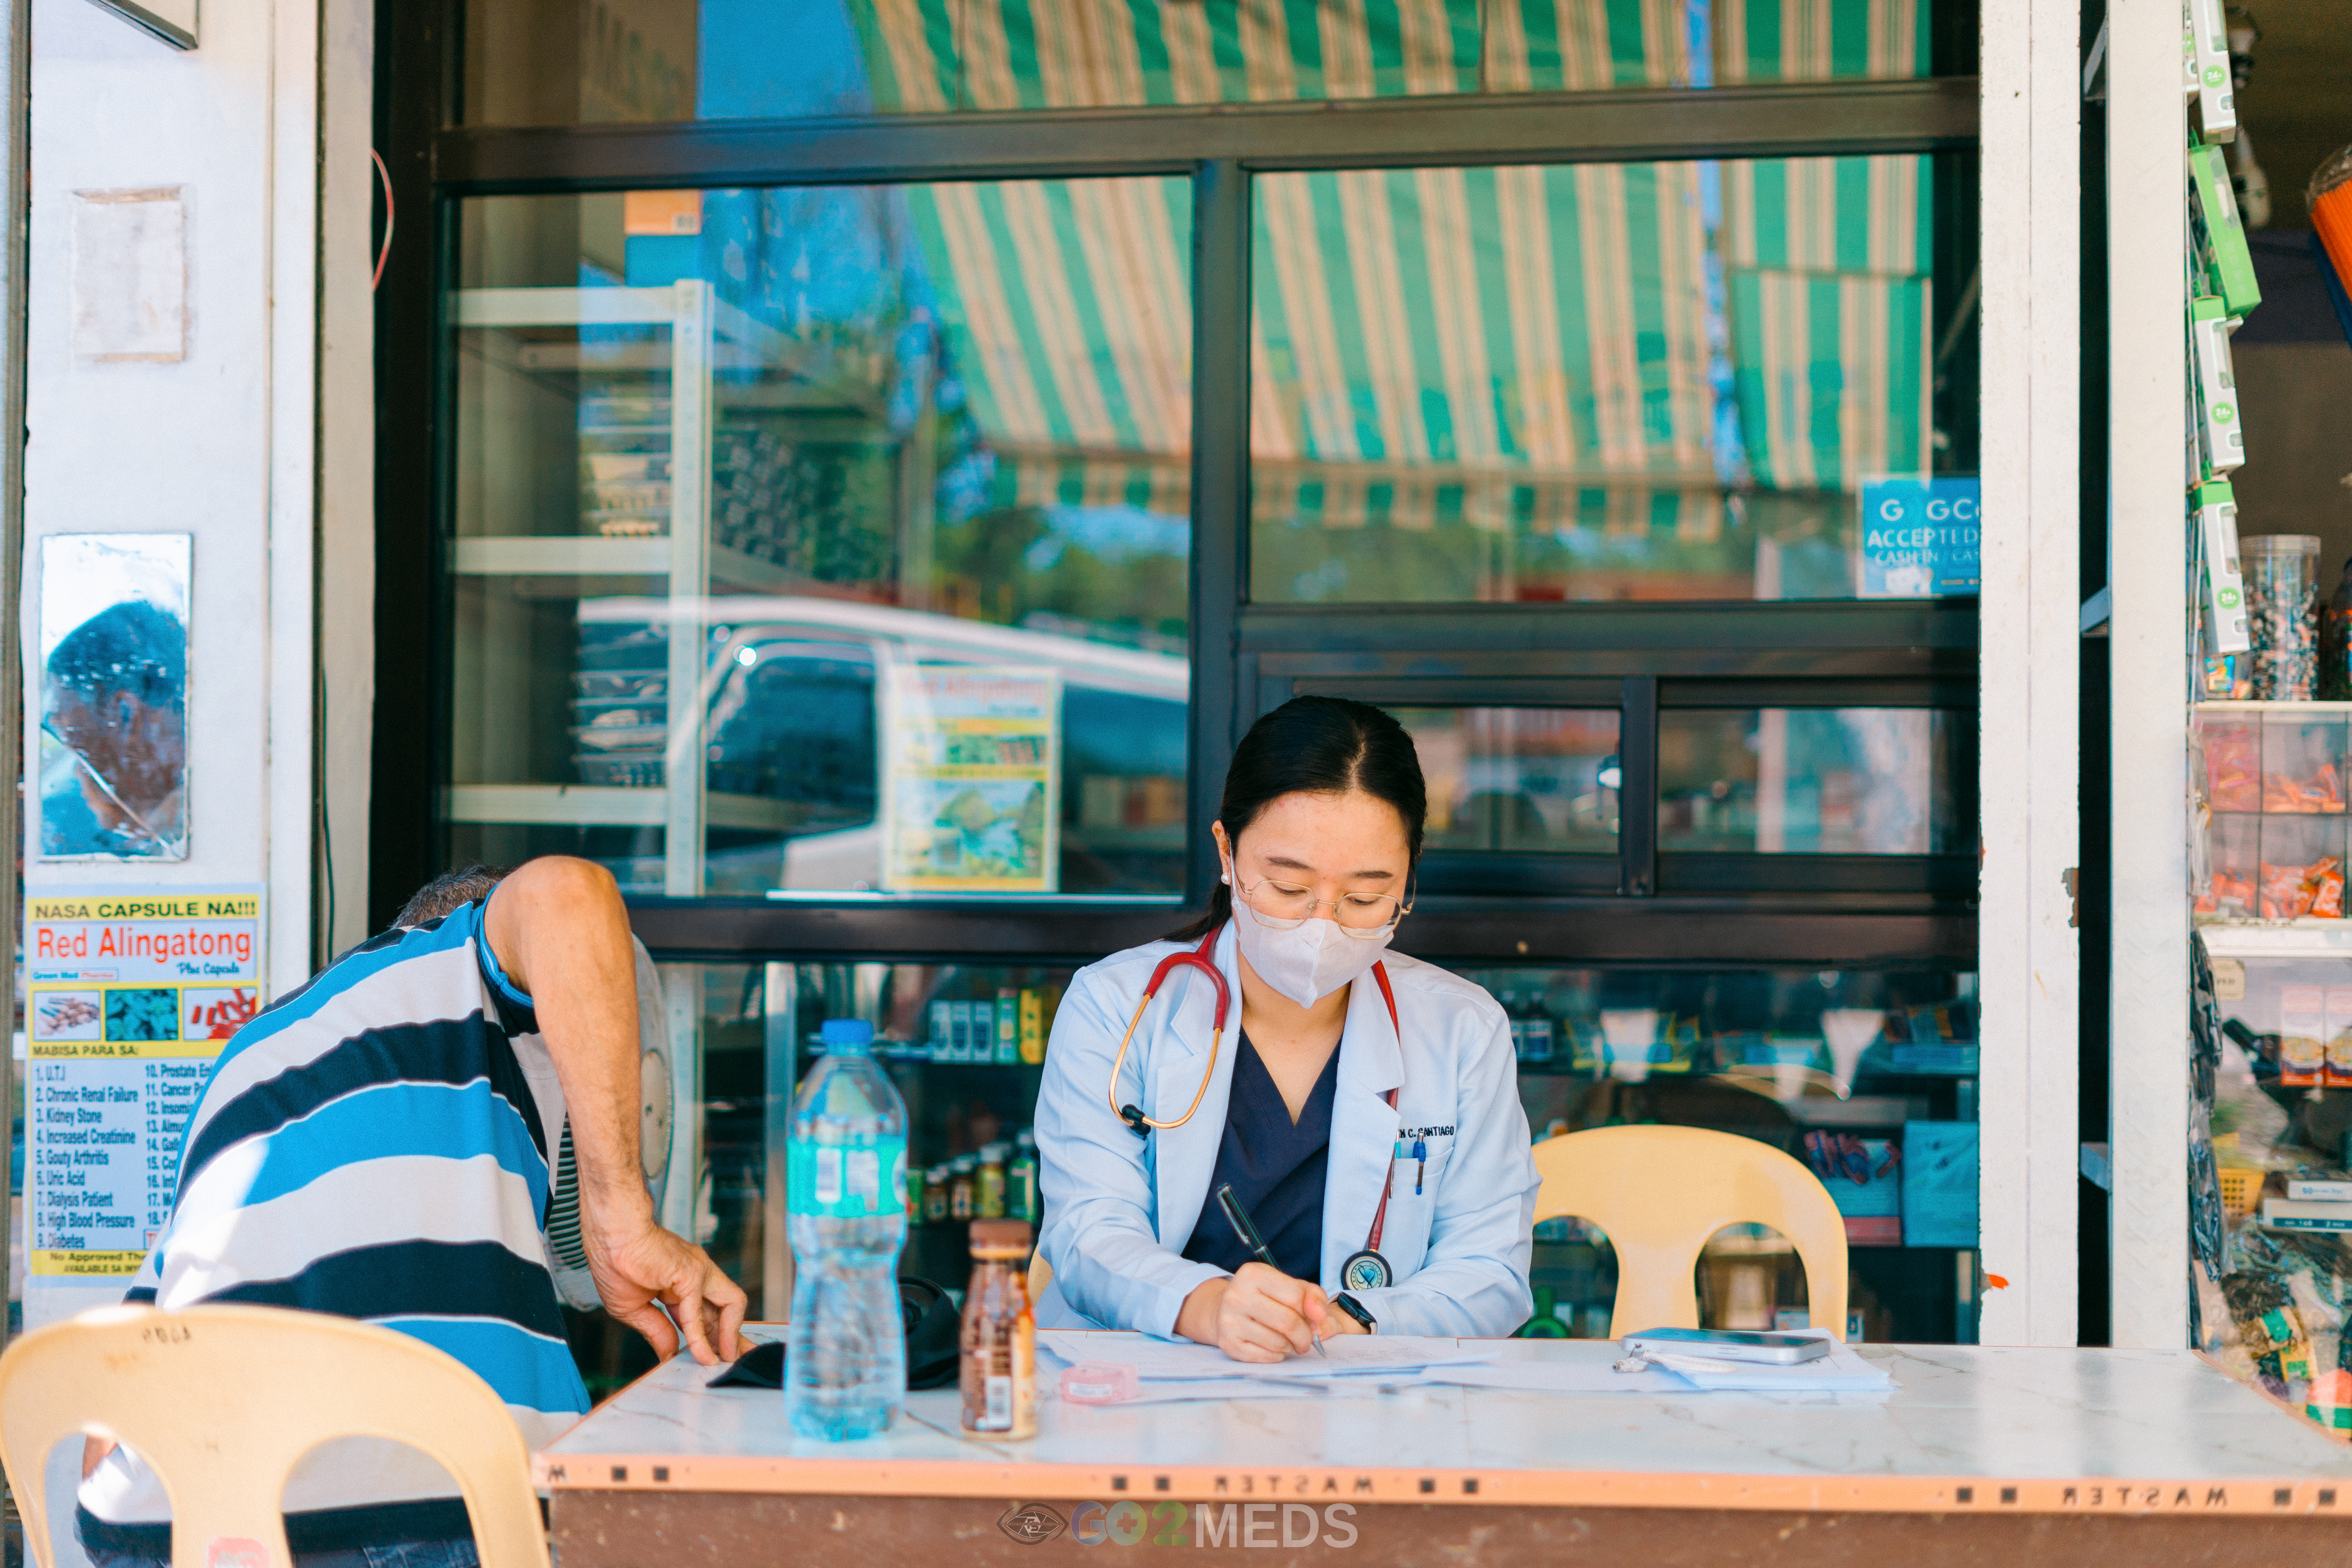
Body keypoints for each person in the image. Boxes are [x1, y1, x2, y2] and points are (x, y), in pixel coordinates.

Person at [76, 857, 748, 1568]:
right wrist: (622, 1214)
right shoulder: (458, 965)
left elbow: (108, 1423)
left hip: (166, 1522)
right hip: (411, 1504)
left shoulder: (246, 1057)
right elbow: (566, 894)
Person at [1033, 696, 1537, 1361]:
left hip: (1367, 1400)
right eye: (1288, 887)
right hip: (1140, 1384)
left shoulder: (1461, 1029)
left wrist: (1356, 1320)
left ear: (1409, 880)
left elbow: (1490, 1269)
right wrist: (1207, 1306)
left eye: (1362, 897)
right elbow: (1087, 1232)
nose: (1321, 924)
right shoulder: (1116, 1006)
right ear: (1227, 851)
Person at [41, 599, 187, 857]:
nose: (79, 771)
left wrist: (131, 821)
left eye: (77, 744)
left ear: (125, 714)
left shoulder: (188, 828)